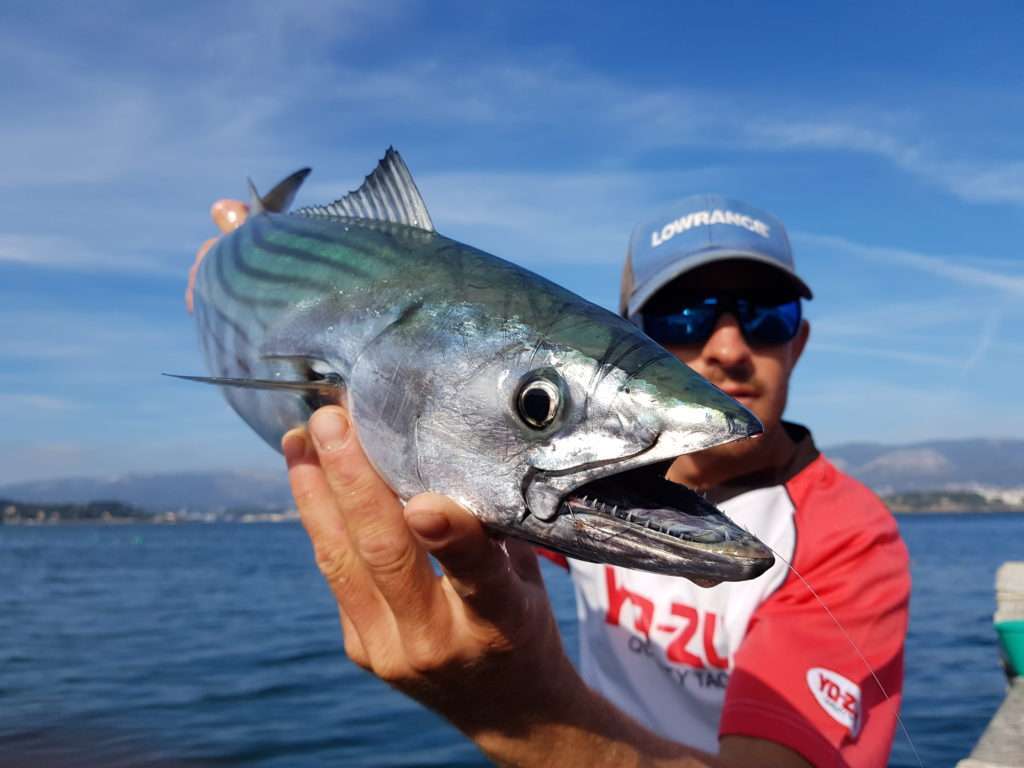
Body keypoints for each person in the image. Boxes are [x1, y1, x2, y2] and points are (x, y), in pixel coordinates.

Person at [195, 194, 911, 766]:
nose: (727, 349)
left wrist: (518, 709)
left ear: (801, 340)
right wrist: (246, 255)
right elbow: (454, 481)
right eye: (683, 316)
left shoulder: (850, 537)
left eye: (765, 315)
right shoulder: (589, 487)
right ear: (633, 329)